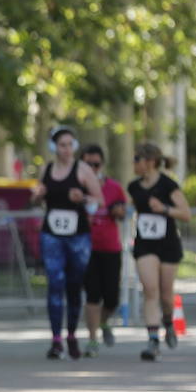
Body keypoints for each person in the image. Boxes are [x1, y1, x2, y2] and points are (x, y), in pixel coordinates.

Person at [29, 127, 102, 359]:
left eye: (70, 144)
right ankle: (55, 339)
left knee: (73, 284)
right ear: (54, 147)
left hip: (78, 235)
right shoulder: (47, 169)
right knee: (55, 282)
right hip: (52, 233)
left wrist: (83, 198)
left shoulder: (82, 170)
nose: (67, 149)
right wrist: (37, 195)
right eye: (62, 145)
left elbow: (99, 200)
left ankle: (71, 334)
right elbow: (36, 198)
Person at [128, 142, 190, 361]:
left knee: (165, 295)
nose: (134, 164)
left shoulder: (168, 185)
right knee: (150, 289)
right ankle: (153, 340)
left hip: (168, 243)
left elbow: (186, 213)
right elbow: (129, 208)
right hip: (145, 244)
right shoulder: (133, 187)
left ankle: (168, 321)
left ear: (150, 162)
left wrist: (164, 209)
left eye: (137, 159)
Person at [79, 143, 127, 357]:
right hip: (86, 248)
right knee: (92, 295)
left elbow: (123, 212)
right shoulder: (77, 188)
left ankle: (104, 323)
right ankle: (92, 339)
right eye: (88, 164)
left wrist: (118, 211)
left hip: (110, 247)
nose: (92, 168)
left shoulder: (114, 187)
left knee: (112, 297)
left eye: (96, 164)